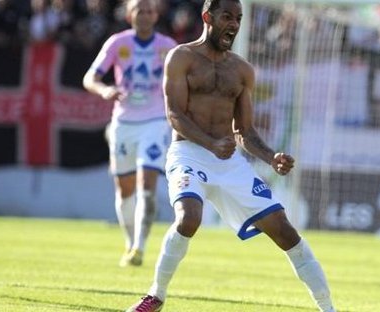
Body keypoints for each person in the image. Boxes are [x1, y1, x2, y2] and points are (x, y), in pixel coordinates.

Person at [126, 0, 336, 311]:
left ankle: (328, 308)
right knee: (189, 218)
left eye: (238, 18)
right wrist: (210, 143)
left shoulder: (242, 70)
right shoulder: (181, 57)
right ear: (207, 17)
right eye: (227, 16)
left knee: (285, 230)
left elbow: (244, 132)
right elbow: (174, 115)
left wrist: (271, 157)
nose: (234, 25)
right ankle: (155, 296)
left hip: (227, 163)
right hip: (188, 154)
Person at [82, 0, 177, 267]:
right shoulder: (117, 43)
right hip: (123, 123)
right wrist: (105, 90)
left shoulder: (167, 47)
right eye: (139, 10)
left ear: (156, 15)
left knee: (147, 186)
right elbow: (90, 77)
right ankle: (129, 241)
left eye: (149, 11)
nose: (144, 15)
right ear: (128, 15)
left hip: (155, 122)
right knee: (124, 192)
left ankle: (140, 247)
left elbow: (183, 80)